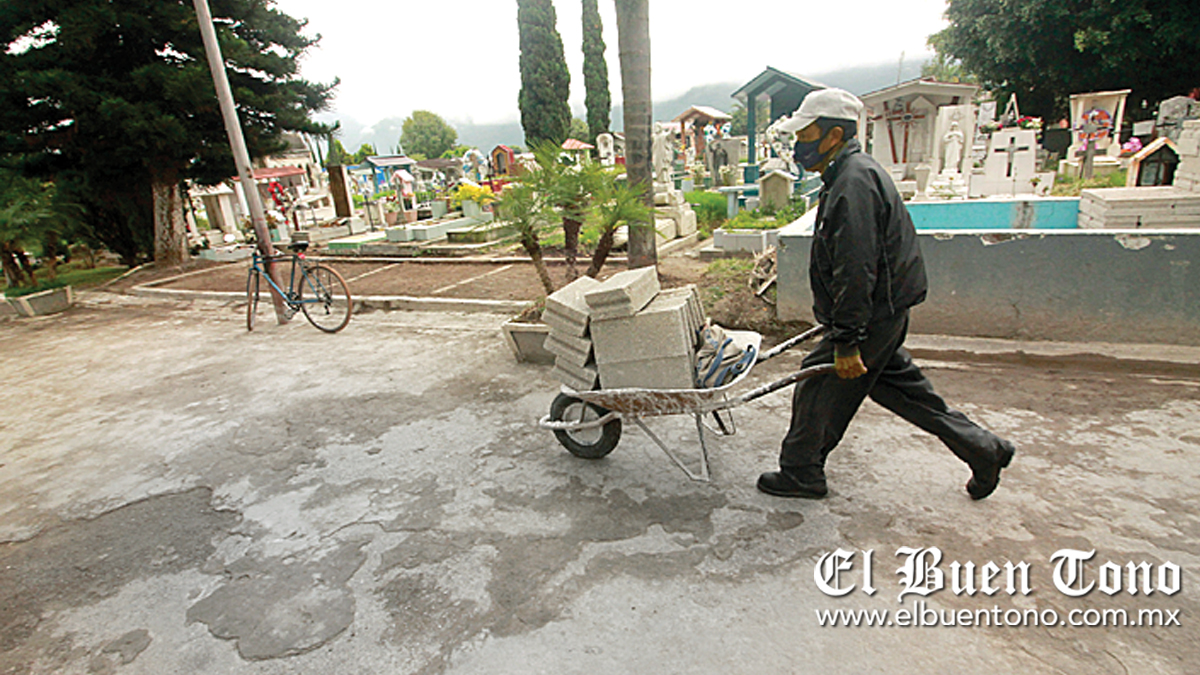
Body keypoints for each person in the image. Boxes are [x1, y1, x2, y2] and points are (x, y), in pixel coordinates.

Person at [758, 88, 1015, 500]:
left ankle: (801, 472)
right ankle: (985, 450)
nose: (798, 145)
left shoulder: (853, 182)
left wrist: (847, 340)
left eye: (806, 136)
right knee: (901, 390)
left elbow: (856, 267)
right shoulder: (849, 174)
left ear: (834, 135)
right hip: (884, 311)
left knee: (817, 384)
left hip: (872, 313)